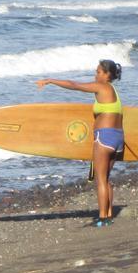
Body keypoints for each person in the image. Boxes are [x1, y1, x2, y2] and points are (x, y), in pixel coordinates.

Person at [37, 59, 123, 226]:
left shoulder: (101, 87)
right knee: (106, 178)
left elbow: (74, 85)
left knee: (100, 180)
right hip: (118, 137)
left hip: (104, 138)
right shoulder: (114, 91)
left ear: (107, 75)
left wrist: (50, 80)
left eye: (98, 72)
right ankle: (109, 215)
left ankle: (102, 218)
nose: (95, 75)